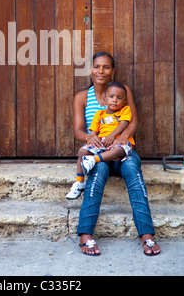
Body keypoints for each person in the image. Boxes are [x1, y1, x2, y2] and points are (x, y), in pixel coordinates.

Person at [73, 52, 161, 256]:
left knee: (132, 168)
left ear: (113, 71)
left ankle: (146, 235)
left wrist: (123, 137)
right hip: (99, 153)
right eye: (96, 66)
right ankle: (85, 234)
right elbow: (78, 130)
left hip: (123, 151)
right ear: (91, 70)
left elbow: (134, 121)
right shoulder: (82, 97)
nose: (100, 71)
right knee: (97, 170)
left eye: (106, 67)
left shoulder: (123, 91)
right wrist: (89, 138)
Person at [66, 82, 134, 200]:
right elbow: (93, 132)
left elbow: (123, 124)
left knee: (120, 149)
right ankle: (79, 181)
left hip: (118, 141)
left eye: (119, 98)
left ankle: (94, 159)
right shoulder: (99, 114)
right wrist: (91, 140)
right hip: (103, 142)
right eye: (111, 97)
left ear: (124, 102)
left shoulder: (125, 110)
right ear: (105, 99)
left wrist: (112, 136)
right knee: (82, 152)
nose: (114, 100)